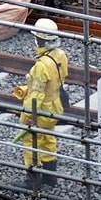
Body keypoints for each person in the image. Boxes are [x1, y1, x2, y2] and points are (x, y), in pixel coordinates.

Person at [12, 17, 69, 190]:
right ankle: (50, 178)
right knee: (48, 138)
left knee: (31, 141)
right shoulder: (60, 56)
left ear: (41, 40)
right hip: (56, 106)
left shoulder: (41, 65)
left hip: (42, 109)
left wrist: (28, 116)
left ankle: (32, 181)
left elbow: (35, 97)